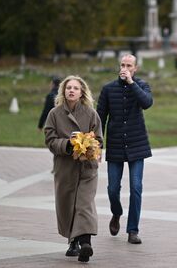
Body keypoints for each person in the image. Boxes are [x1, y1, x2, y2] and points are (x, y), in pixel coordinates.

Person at [44, 75, 103, 262]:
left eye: (76, 88)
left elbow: (100, 140)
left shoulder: (91, 113)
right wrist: (68, 145)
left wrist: (88, 145)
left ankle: (86, 243)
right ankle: (72, 242)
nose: (71, 90)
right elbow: (50, 140)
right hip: (65, 168)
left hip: (87, 168)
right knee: (67, 205)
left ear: (82, 92)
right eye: (68, 87)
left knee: (84, 204)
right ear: (63, 91)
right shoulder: (54, 114)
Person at [97, 54, 153, 244]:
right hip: (115, 145)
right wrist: (98, 143)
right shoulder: (108, 89)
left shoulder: (142, 86)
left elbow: (147, 103)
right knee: (113, 189)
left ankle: (133, 230)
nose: (125, 68)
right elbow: (100, 118)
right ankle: (116, 212)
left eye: (129, 65)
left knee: (136, 187)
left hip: (137, 145)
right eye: (122, 65)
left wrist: (131, 83)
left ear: (135, 68)